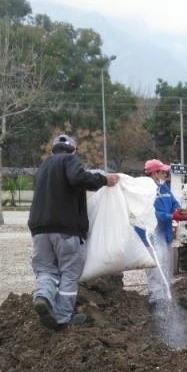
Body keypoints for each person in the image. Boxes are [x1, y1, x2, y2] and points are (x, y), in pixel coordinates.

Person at [28, 134, 119, 330]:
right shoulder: (70, 159)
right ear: (74, 150)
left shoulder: (43, 167)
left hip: (39, 228)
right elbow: (77, 177)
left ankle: (43, 297)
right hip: (66, 228)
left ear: (52, 150)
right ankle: (62, 319)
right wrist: (103, 180)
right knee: (69, 273)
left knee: (46, 270)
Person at [137, 159, 183, 310]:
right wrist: (170, 217)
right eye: (162, 171)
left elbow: (174, 202)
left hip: (165, 235)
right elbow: (150, 213)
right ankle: (156, 300)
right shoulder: (144, 191)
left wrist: (177, 210)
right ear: (154, 173)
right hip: (151, 237)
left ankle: (166, 296)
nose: (165, 174)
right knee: (155, 270)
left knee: (166, 267)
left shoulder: (163, 188)